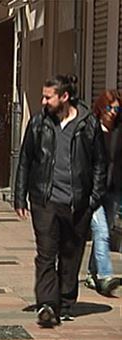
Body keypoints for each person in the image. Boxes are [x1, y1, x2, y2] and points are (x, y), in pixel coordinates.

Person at [14, 75, 107, 326]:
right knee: (46, 253)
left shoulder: (88, 124)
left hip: (78, 202)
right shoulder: (38, 123)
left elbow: (100, 162)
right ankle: (47, 304)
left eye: (48, 97)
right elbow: (25, 160)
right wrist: (19, 196)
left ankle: (65, 301)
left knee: (71, 253)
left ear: (64, 97)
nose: (43, 101)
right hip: (45, 199)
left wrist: (94, 198)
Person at [83, 90, 122, 296]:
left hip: (114, 191)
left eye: (117, 108)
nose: (113, 112)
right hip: (94, 191)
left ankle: (92, 274)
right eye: (109, 108)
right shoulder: (92, 131)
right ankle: (106, 275)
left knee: (102, 233)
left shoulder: (119, 132)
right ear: (100, 108)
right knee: (102, 232)